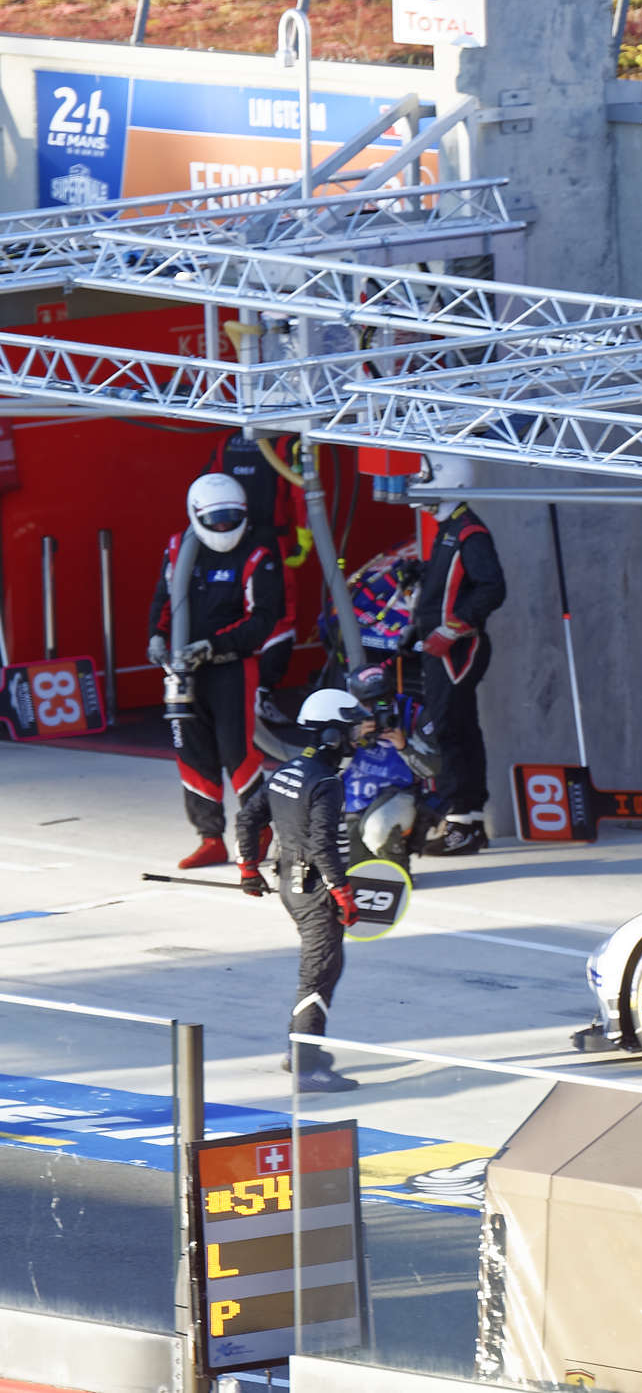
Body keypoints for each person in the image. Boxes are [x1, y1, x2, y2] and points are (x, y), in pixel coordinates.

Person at [152, 474, 286, 871]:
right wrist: (157, 638)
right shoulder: (178, 548)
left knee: (239, 753)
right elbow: (162, 600)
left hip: (231, 668)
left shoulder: (259, 552)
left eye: (232, 518)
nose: (225, 526)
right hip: (182, 671)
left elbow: (263, 619)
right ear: (197, 515)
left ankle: (258, 831)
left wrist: (213, 646)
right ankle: (209, 838)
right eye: (217, 519)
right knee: (192, 754)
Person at [241, 689, 371, 1094]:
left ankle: (299, 1048)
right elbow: (322, 844)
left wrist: (249, 868)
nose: (355, 738)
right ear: (332, 735)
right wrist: (343, 892)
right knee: (319, 974)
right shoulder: (327, 781)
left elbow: (248, 817)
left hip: (290, 883)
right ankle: (307, 1067)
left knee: (320, 971)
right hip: (316, 889)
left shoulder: (287, 770)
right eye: (350, 730)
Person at [407, 455, 507, 858]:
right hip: (443, 648)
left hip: (457, 651)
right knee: (460, 730)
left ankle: (459, 823)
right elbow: (455, 580)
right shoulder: (450, 527)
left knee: (450, 733)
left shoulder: (470, 531)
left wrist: (450, 631)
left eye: (426, 476)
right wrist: (423, 574)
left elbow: (492, 588)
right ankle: (469, 823)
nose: (419, 483)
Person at [206, 428, 306, 702]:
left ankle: (240, 691)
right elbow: (302, 491)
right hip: (270, 543)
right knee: (280, 617)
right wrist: (304, 534)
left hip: (223, 543)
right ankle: (262, 692)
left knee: (232, 611)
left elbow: (205, 487)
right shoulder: (287, 443)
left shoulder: (226, 440)